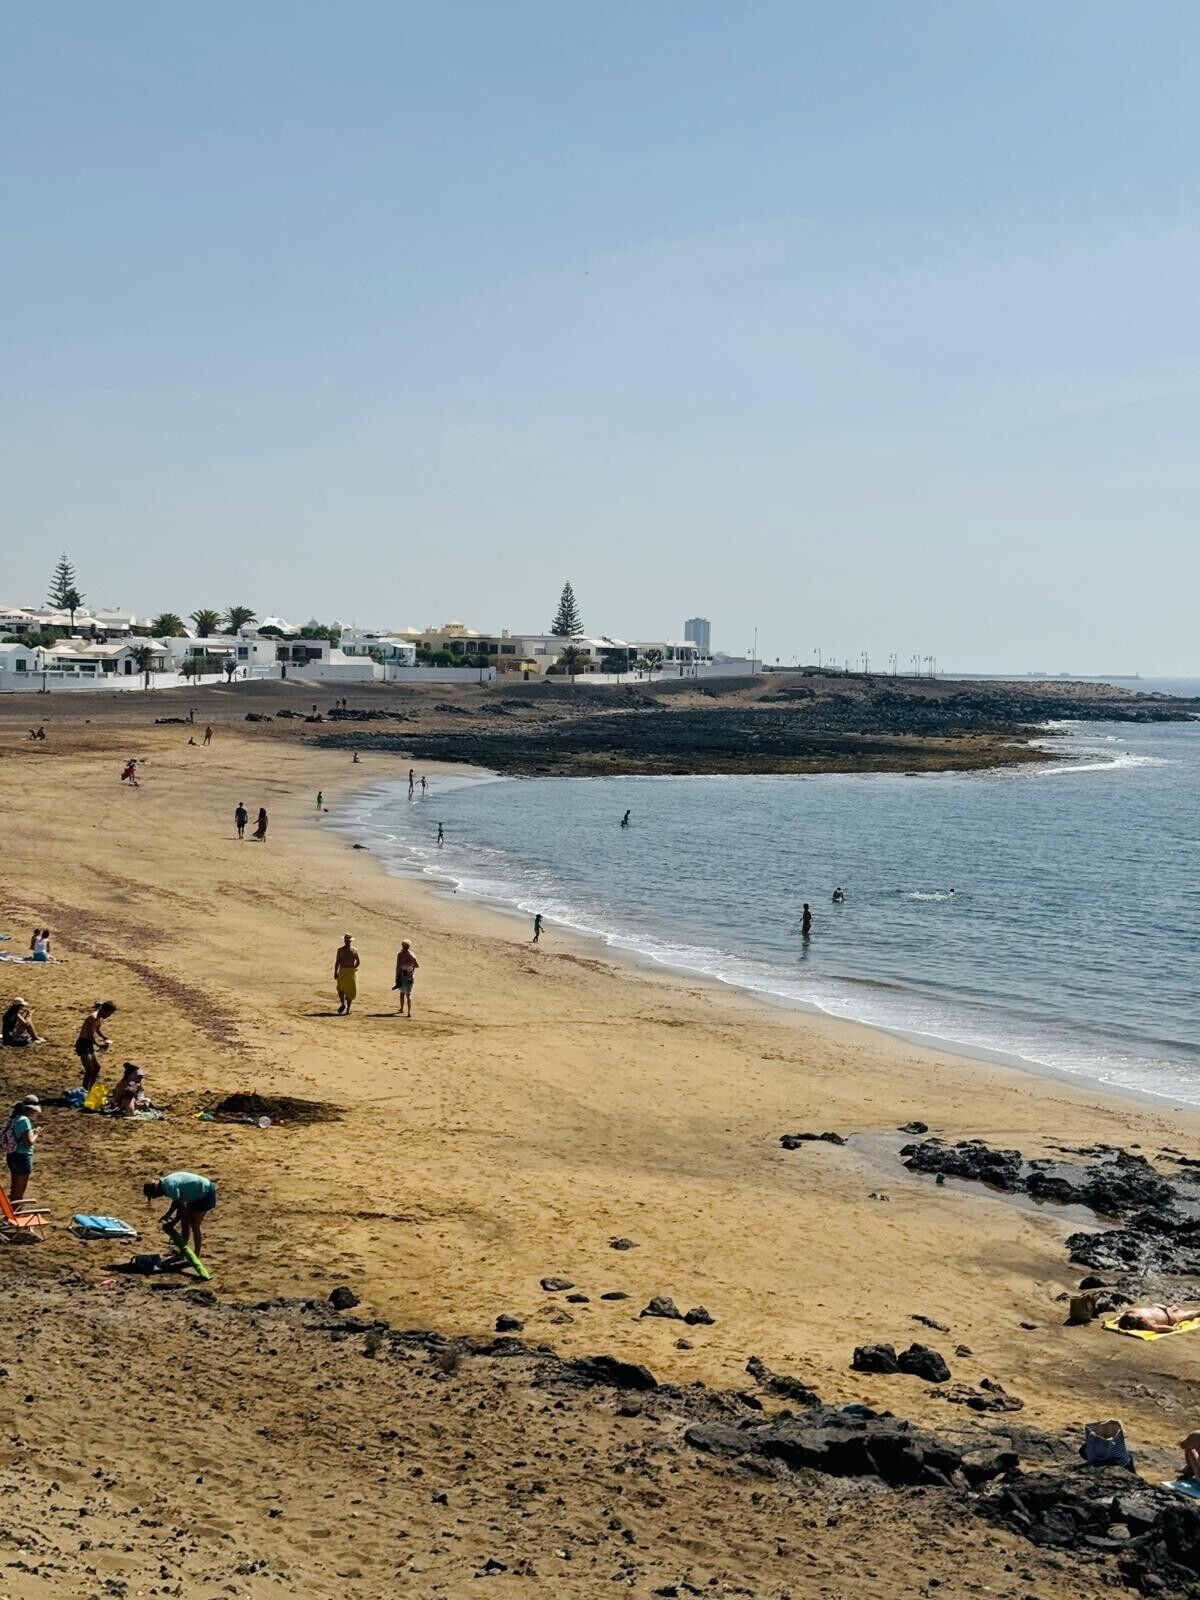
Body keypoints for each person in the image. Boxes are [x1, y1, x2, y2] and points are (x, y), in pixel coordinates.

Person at [144, 1170, 217, 1259]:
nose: (156, 1198)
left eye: (154, 1196)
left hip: (205, 1192)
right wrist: (168, 1214)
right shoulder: (165, 1183)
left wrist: (173, 1223)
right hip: (194, 1194)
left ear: (156, 1191)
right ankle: (183, 1251)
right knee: (185, 1222)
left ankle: (196, 1254)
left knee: (194, 1224)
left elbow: (181, 1209)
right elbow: (177, 1203)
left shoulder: (170, 1187)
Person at [3, 1096, 40, 1202]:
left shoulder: (14, 1118)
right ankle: (17, 1213)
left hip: (12, 1155)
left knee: (14, 1187)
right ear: (30, 1109)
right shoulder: (25, 1121)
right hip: (23, 1156)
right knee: (20, 1190)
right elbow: (29, 1142)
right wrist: (36, 1133)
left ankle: (11, 1212)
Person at [75, 1001, 117, 1092]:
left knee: (96, 1068)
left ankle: (89, 1088)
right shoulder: (93, 1018)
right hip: (83, 1044)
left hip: (88, 1044)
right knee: (89, 1069)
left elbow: (97, 1029)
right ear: (105, 1010)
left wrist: (104, 1037)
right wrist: (99, 1045)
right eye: (109, 1014)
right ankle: (85, 1090)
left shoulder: (100, 1017)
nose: (109, 1016)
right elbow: (90, 1035)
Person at [1117, 1302, 1197, 1333]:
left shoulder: (1130, 1311)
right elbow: (1163, 1328)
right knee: (1193, 1313)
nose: (1138, 1315)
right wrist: (1175, 1326)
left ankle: (1172, 1307)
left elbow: (1121, 1315)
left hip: (1161, 1307)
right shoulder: (1146, 1323)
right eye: (1135, 1318)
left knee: (1189, 1313)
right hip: (1170, 1317)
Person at [334, 934, 360, 1014]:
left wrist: (336, 972)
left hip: (345, 971)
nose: (347, 942)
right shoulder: (350, 950)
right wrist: (336, 972)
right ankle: (345, 1006)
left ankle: (346, 1007)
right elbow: (338, 962)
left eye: (348, 940)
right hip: (347, 971)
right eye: (347, 940)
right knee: (343, 989)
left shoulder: (344, 950)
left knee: (346, 990)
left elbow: (358, 961)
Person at [393, 940, 419, 1017]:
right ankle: (409, 1012)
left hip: (402, 974)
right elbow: (417, 965)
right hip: (410, 976)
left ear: (402, 946)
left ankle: (401, 1008)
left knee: (402, 993)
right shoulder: (412, 955)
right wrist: (411, 968)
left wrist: (397, 977)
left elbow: (398, 966)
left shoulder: (400, 954)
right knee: (408, 994)